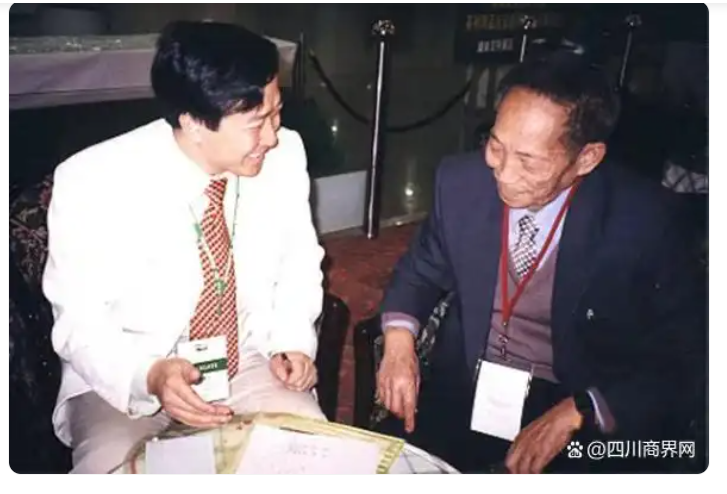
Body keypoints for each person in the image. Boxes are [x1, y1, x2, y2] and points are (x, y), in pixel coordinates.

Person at [375, 52, 706, 473]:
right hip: (466, 386)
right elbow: (419, 272)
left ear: (587, 158)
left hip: (574, 400)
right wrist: (399, 344)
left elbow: (685, 354)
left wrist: (583, 408)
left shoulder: (643, 220)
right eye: (496, 145)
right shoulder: (460, 182)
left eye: (528, 161)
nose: (503, 173)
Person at [42, 21, 326, 474]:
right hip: (124, 378)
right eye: (256, 123)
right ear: (193, 122)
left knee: (314, 455)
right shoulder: (92, 181)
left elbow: (299, 263)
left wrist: (292, 342)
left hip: (246, 360)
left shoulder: (285, 154)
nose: (272, 136)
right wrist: (149, 375)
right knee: (114, 468)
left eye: (277, 113)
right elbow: (78, 320)